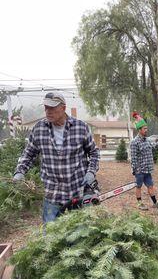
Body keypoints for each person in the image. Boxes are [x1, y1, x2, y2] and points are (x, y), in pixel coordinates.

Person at [13, 92, 100, 223]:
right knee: (51, 236)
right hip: (51, 193)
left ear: (63, 108)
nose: (48, 111)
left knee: (77, 235)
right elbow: (28, 154)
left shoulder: (81, 128)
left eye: (52, 108)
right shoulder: (39, 129)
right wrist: (20, 171)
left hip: (76, 190)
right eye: (46, 107)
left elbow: (94, 152)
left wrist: (91, 172)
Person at [130, 112, 158, 210]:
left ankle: (155, 203)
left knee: (150, 186)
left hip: (148, 170)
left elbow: (153, 147)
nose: (146, 130)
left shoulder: (147, 140)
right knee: (138, 186)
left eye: (146, 128)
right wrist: (136, 169)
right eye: (145, 129)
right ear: (140, 130)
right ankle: (139, 204)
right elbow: (133, 158)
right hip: (140, 170)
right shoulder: (134, 142)